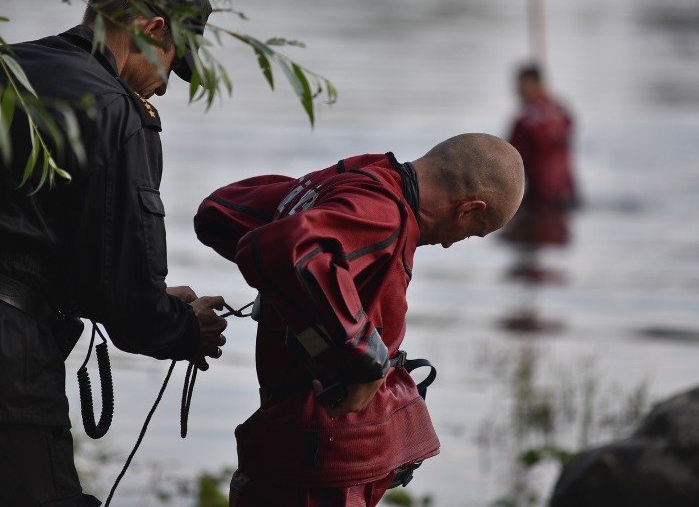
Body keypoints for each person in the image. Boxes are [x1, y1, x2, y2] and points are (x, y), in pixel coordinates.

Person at [0, 0, 227, 507]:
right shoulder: (118, 110)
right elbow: (130, 306)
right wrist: (184, 329)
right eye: (170, 63)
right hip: (0, 370)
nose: (165, 86)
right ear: (153, 30)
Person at [194, 133, 525, 506]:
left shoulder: (361, 177)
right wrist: (366, 359)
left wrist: (293, 299)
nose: (450, 244)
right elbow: (284, 246)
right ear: (468, 209)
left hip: (295, 450)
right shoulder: (382, 210)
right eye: (469, 234)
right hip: (315, 466)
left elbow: (218, 213)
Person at [501, 63, 579, 282]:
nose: (516, 91)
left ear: (534, 84)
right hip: (563, 194)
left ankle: (531, 275)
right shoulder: (559, 111)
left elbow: (510, 161)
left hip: (543, 197)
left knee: (524, 241)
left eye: (521, 85)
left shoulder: (529, 120)